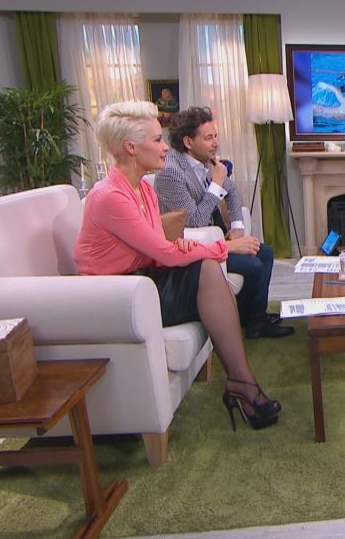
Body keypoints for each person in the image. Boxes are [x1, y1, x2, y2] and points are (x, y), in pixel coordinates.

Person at [74, 101, 281, 430]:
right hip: (118, 295)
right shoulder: (109, 195)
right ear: (131, 147)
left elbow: (159, 247)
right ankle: (242, 385)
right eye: (157, 140)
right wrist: (220, 247)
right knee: (208, 266)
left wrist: (181, 244)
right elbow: (164, 253)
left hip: (144, 281)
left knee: (208, 266)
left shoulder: (142, 187)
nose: (164, 148)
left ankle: (241, 383)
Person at [154, 106, 294, 339]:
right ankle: (238, 319)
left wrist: (237, 228)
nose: (216, 143)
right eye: (209, 138)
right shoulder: (171, 173)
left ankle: (255, 319)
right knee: (253, 265)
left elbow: (232, 192)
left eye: (216, 136)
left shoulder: (206, 162)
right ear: (188, 142)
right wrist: (216, 185)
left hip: (216, 239)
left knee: (265, 252)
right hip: (191, 247)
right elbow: (194, 223)